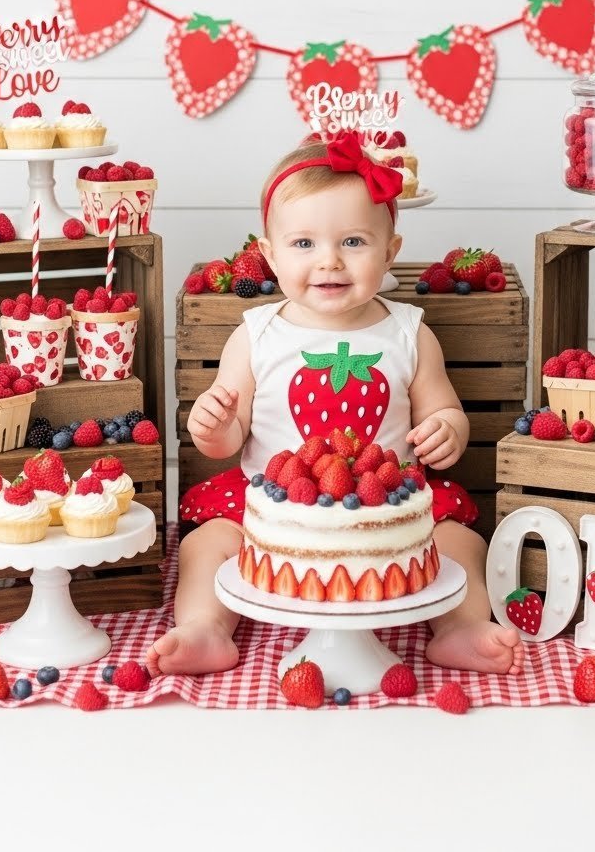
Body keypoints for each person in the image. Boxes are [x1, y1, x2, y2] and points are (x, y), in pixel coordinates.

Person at [147, 132, 523, 678]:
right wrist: (215, 426)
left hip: (387, 503)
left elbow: (444, 409)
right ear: (270, 255)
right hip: (272, 504)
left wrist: (447, 429)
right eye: (304, 245)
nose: (329, 262)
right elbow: (230, 441)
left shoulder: (409, 333)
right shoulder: (256, 335)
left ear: (390, 251)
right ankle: (205, 628)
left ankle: (460, 628)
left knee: (459, 542)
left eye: (353, 242)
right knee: (206, 545)